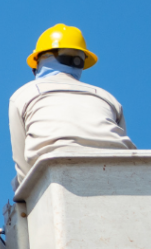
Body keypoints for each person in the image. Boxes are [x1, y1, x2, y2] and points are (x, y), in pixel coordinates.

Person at [9, 24, 135, 187]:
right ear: (80, 62)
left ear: (42, 59)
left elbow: (23, 166)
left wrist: (25, 202)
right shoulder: (105, 96)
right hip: (120, 174)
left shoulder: (25, 93)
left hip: (56, 175)